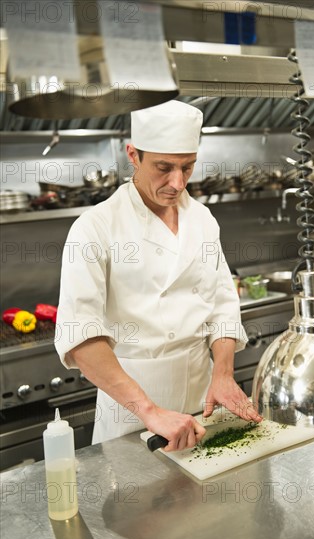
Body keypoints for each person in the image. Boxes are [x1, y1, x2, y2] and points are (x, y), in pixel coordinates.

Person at [55, 100, 262, 451]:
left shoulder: (202, 220)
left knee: (206, 504)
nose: (177, 182)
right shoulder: (95, 227)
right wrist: (149, 411)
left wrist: (223, 374)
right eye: (163, 167)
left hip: (202, 401)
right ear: (133, 155)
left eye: (188, 167)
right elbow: (81, 335)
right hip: (132, 411)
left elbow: (223, 305)